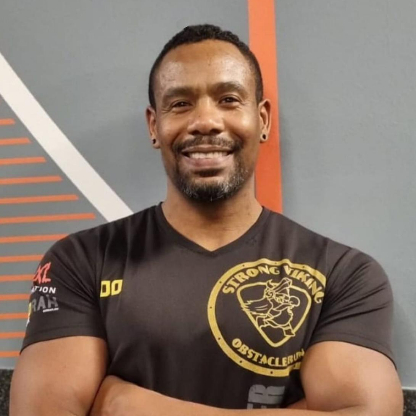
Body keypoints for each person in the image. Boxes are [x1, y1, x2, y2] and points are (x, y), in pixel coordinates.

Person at [10, 24, 402, 416]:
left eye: (228, 99)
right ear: (154, 126)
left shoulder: (343, 275)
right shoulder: (81, 261)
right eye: (180, 104)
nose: (206, 121)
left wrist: (128, 405)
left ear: (263, 119)